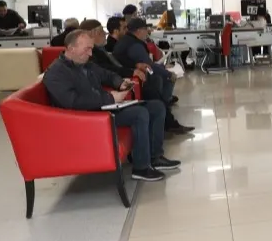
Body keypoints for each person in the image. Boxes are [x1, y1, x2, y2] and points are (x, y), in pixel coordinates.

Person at [42, 29, 180, 182]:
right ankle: (141, 168)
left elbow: (107, 74)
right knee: (139, 114)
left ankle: (155, 157)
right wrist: (110, 98)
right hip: (87, 117)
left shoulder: (84, 64)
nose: (90, 53)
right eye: (86, 49)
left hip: (102, 109)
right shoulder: (56, 73)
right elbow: (73, 102)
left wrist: (120, 83)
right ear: (70, 48)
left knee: (157, 107)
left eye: (91, 49)